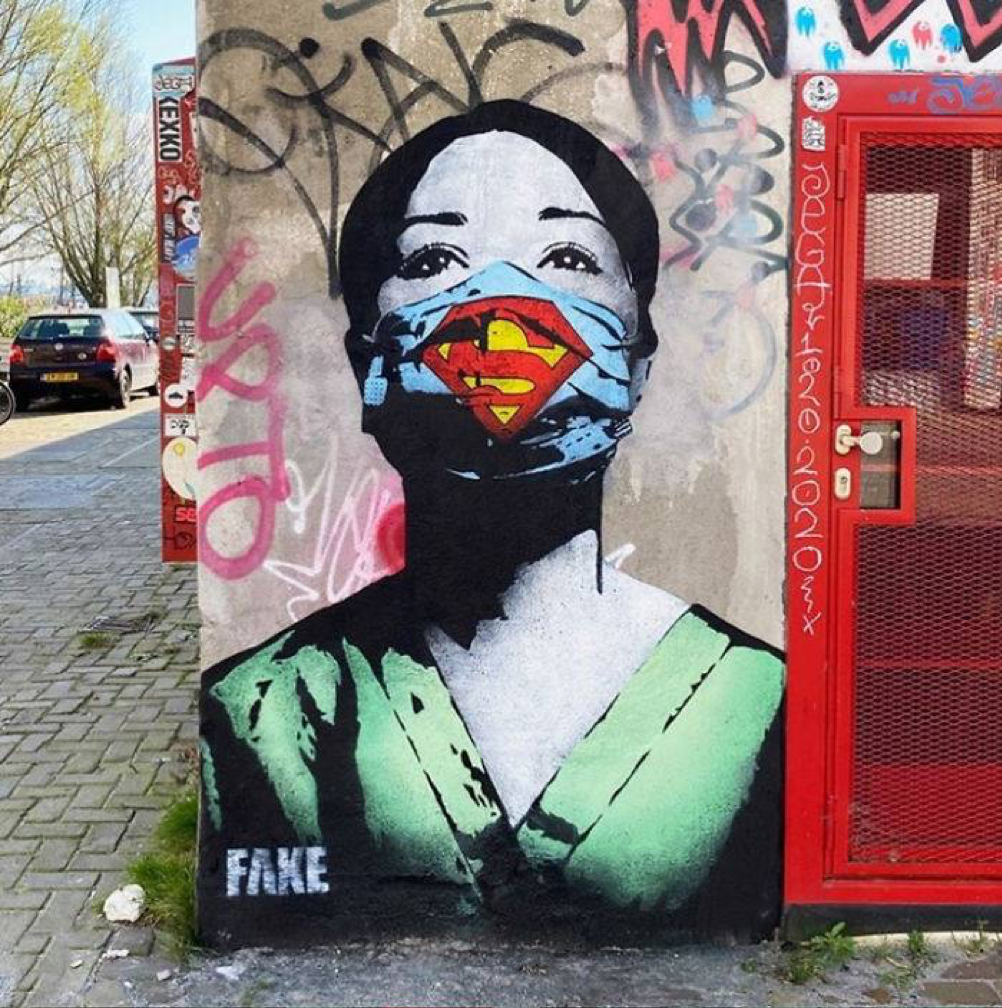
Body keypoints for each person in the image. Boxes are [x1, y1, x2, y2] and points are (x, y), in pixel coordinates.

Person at [200, 100, 784, 942]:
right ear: (368, 365)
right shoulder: (259, 713)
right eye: (435, 258)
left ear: (639, 362)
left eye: (568, 257)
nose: (503, 306)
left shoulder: (758, 703)